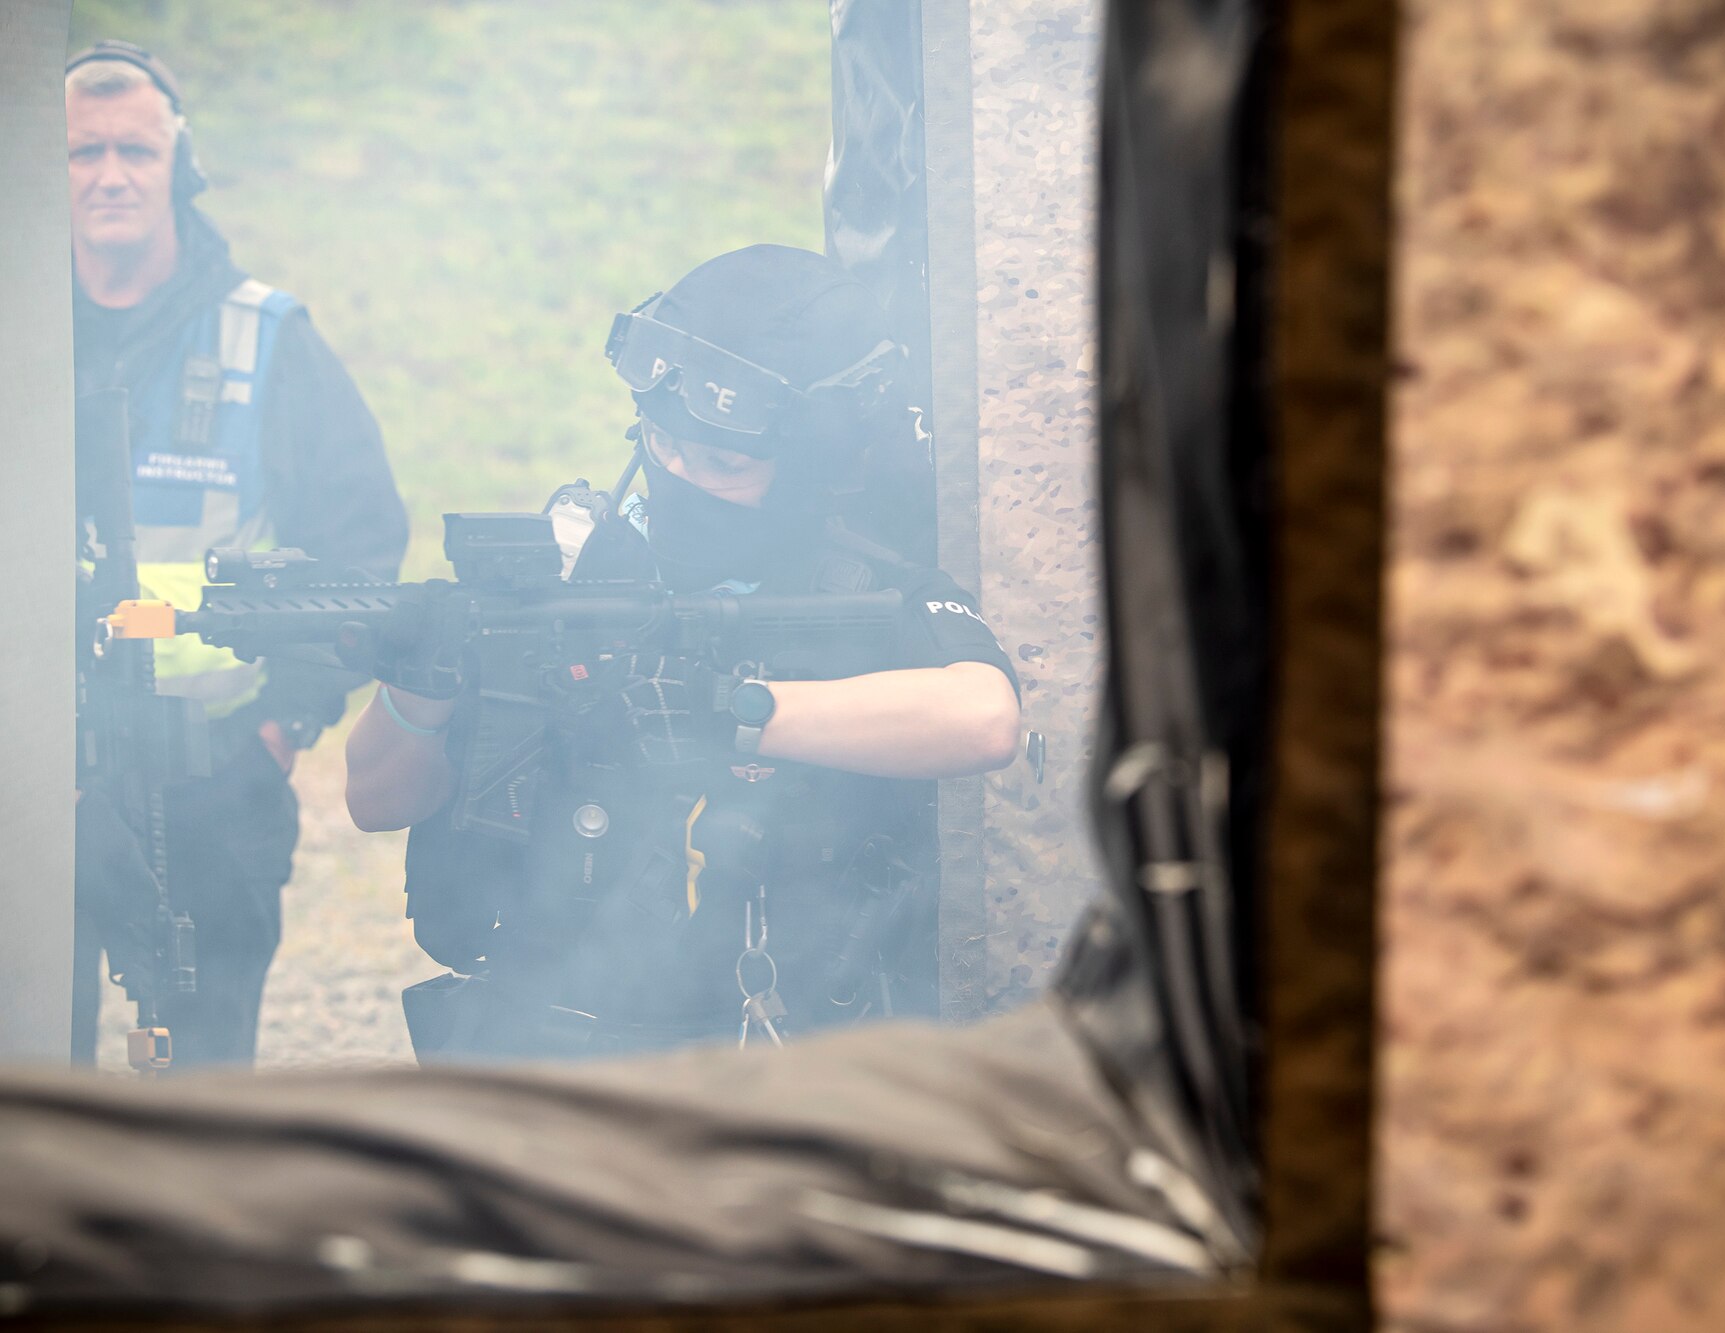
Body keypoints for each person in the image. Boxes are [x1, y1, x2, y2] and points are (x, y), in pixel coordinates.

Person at [345, 244, 1020, 1060]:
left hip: (774, 1053)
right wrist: (421, 684)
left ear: (810, 466)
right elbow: (374, 799)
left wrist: (729, 709)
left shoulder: (852, 583)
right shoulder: (573, 569)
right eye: (660, 443)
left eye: (721, 463)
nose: (675, 474)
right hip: (543, 1049)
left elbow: (984, 717)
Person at [67, 42, 408, 1068]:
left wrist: (285, 715)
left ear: (182, 166)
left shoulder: (268, 338)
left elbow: (360, 543)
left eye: (135, 149)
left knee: (204, 1086)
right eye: (82, 153)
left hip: (213, 772)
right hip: (32, 777)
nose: (111, 175)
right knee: (30, 1086)